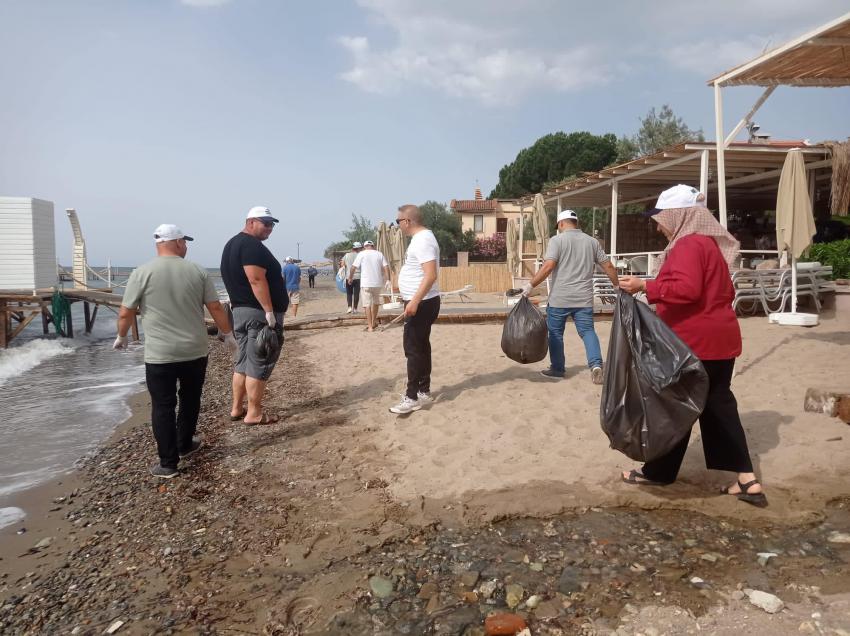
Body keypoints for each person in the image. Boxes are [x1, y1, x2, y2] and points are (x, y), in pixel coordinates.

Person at [618, 184, 767, 508]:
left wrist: (645, 286)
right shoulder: (707, 244)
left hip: (694, 343)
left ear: (678, 215)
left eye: (661, 218)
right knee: (714, 406)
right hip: (720, 339)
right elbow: (719, 290)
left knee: (675, 407)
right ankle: (746, 479)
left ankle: (659, 473)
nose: (659, 226)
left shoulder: (688, 245)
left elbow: (687, 289)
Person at [114, 224, 237, 479]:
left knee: (163, 405)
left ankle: (168, 463)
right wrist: (227, 334)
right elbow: (215, 307)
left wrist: (122, 336)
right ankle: (184, 444)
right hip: (194, 350)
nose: (186, 246)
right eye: (185, 242)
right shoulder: (197, 271)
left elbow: (126, 311)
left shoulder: (141, 272)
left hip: (160, 354)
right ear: (178, 242)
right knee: (190, 398)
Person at [522, 209, 618, 384]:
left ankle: (557, 370)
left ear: (561, 223)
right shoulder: (592, 242)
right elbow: (609, 266)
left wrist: (530, 285)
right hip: (584, 299)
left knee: (556, 334)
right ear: (576, 223)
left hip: (560, 299)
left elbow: (548, 266)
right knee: (587, 332)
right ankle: (596, 365)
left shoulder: (557, 240)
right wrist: (617, 286)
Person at [220, 206, 289, 426]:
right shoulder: (251, 245)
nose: (270, 228)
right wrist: (269, 311)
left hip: (241, 311)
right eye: (265, 223)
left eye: (272, 224)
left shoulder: (231, 244)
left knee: (243, 362)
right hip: (257, 314)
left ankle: (236, 408)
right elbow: (256, 279)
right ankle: (254, 413)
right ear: (251, 222)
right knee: (260, 361)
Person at [390, 204, 440, 414]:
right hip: (423, 301)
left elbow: (430, 275)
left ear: (407, 221)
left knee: (412, 349)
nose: (398, 225)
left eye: (398, 221)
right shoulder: (422, 239)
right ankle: (423, 390)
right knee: (421, 346)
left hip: (421, 302)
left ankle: (411, 397)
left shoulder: (422, 240)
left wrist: (414, 301)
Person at [349, 240, 390, 332]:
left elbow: (353, 267)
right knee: (376, 303)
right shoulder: (379, 254)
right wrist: (388, 279)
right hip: (377, 283)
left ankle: (370, 326)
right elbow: (386, 267)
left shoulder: (361, 254)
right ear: (373, 246)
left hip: (366, 283)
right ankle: (374, 322)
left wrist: (350, 277)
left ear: (364, 247)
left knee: (367, 305)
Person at [343, 242, 363, 313]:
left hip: (349, 276)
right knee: (356, 293)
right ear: (359, 248)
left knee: (349, 293)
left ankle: (349, 307)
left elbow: (343, 264)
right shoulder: (360, 255)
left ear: (353, 248)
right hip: (358, 277)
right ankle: (355, 309)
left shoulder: (346, 255)